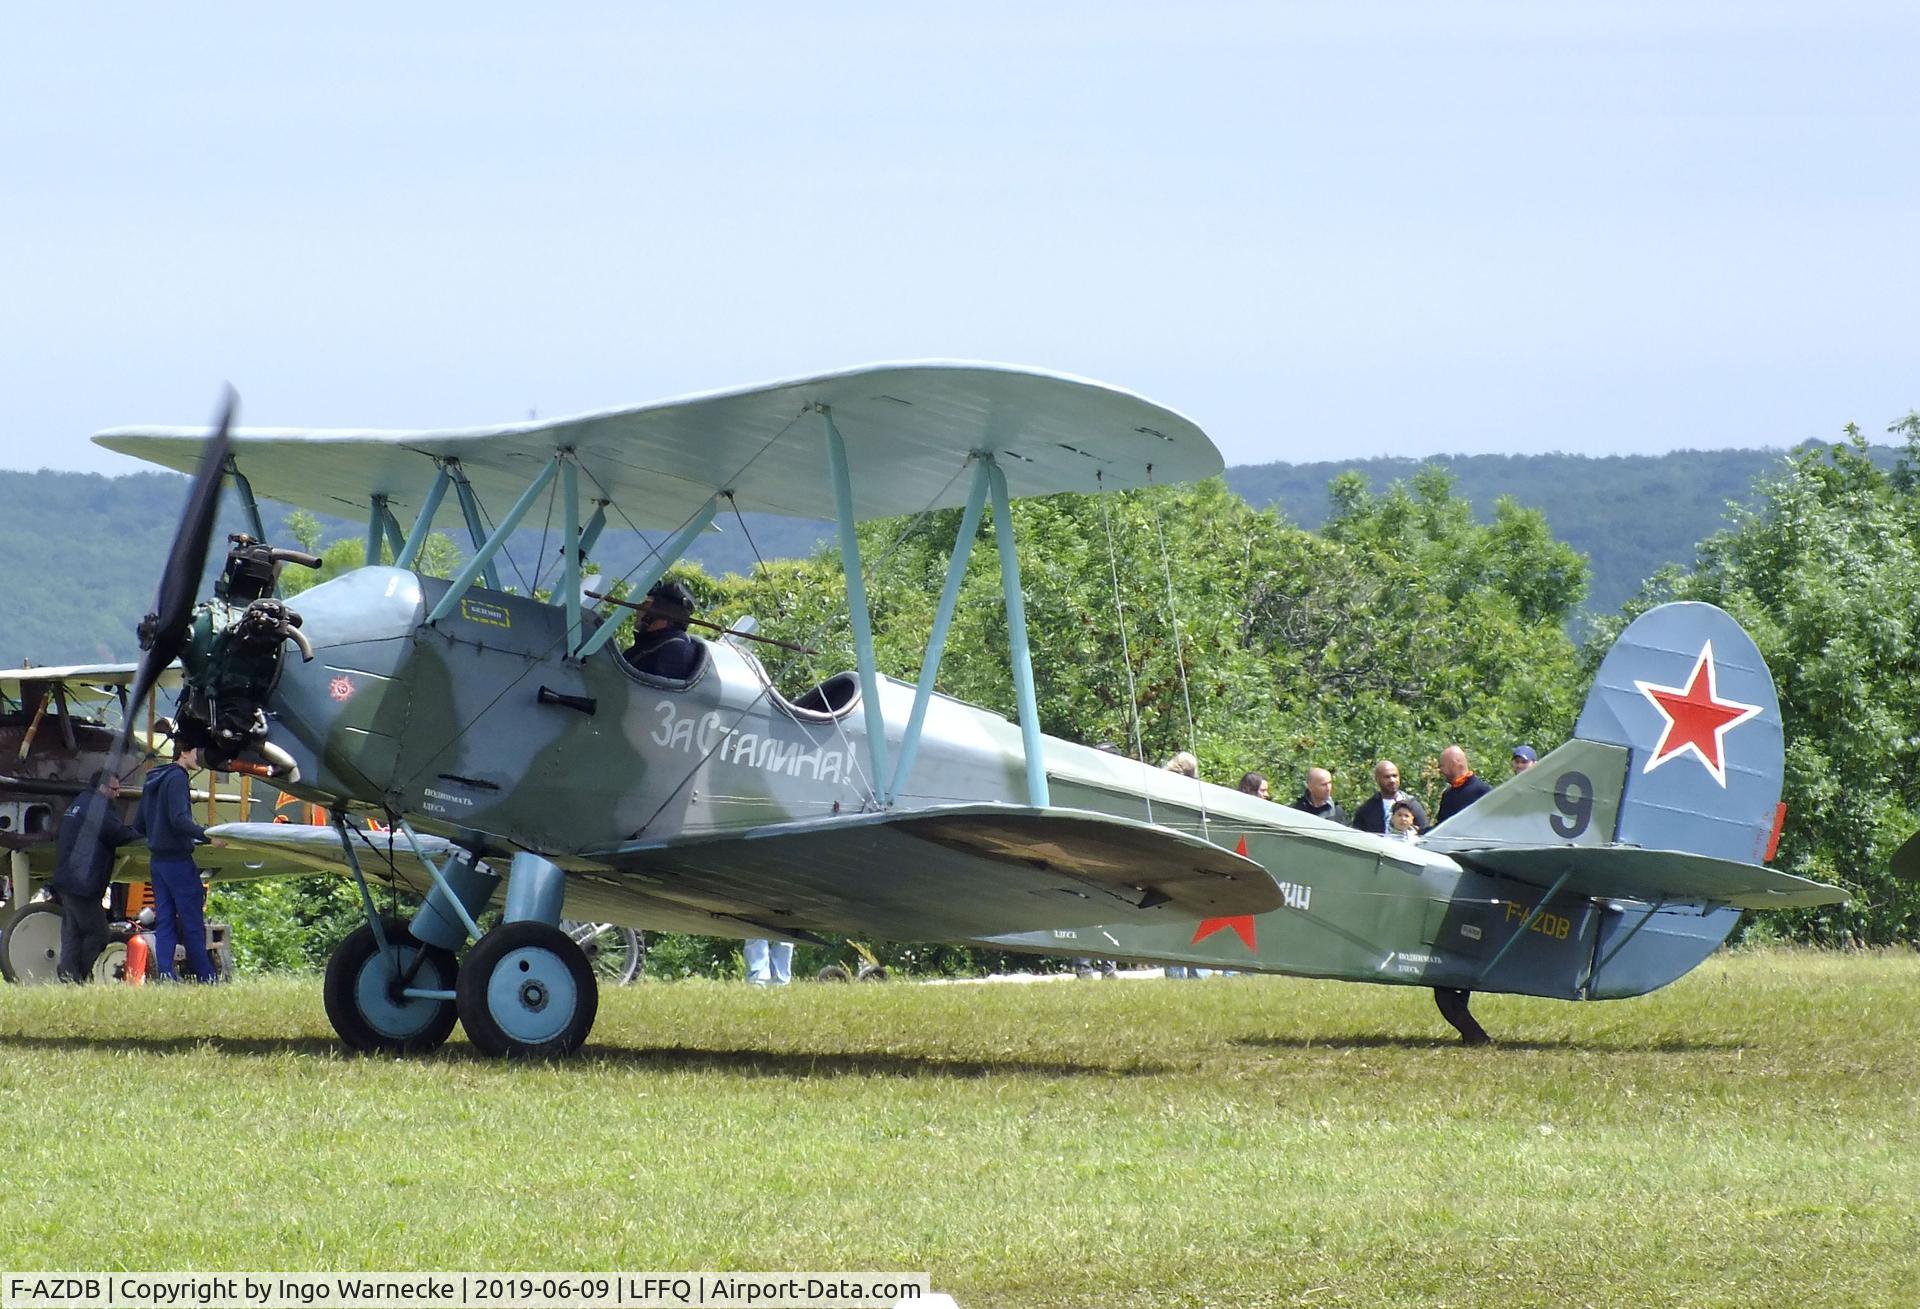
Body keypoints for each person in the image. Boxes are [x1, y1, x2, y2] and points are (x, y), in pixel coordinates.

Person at [50, 768, 145, 982]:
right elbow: (115, 833)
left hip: (68, 879)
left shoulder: (80, 802)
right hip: (82, 883)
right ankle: (80, 976)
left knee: (73, 933)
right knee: (98, 933)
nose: (118, 794)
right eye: (114, 789)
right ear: (102, 788)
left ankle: (68, 976)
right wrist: (139, 835)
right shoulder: (97, 806)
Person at [136, 734, 217, 982]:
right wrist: (207, 836)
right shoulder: (178, 779)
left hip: (157, 860)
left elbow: (139, 824)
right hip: (178, 861)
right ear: (184, 752)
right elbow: (179, 819)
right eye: (197, 753)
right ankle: (206, 976)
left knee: (165, 921)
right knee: (192, 920)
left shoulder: (154, 779)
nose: (200, 759)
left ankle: (165, 974)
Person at [624, 578, 702, 679]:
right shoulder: (653, 644)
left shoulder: (672, 654)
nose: (637, 609)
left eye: (645, 604)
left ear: (658, 611)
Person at [1352, 760, 1429, 834]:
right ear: (1377, 780)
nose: (1392, 780)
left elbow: (1425, 834)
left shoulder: (1412, 805)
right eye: (1387, 777)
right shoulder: (1367, 809)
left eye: (1395, 776)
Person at [1434, 745, 1493, 824]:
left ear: (1453, 764)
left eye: (1441, 766)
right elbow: (1440, 828)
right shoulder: (1448, 795)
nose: (1440, 770)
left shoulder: (1483, 791)